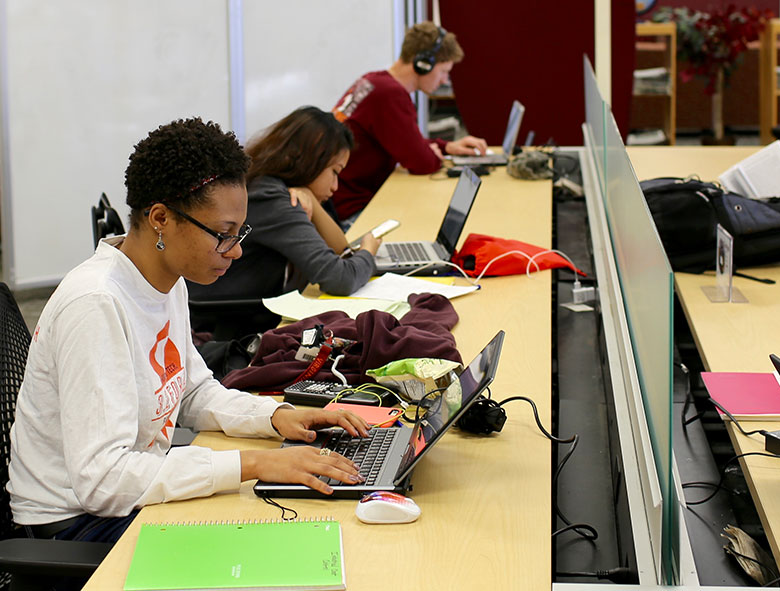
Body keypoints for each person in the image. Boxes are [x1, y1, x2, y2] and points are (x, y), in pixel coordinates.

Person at [6, 117, 370, 548]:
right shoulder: (96, 304)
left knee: (301, 518)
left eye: (239, 233)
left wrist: (276, 419)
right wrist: (253, 464)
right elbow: (102, 480)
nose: (235, 251)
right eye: (223, 234)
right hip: (75, 529)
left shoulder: (166, 280)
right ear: (161, 218)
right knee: (277, 539)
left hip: (125, 499)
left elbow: (192, 391)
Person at [188, 107, 380, 328]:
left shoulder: (265, 183)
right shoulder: (274, 200)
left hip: (231, 308)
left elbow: (340, 249)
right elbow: (340, 278)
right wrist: (369, 251)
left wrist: (313, 203)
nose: (336, 186)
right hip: (231, 320)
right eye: (334, 172)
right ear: (310, 160)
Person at [330, 21, 489, 224]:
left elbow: (409, 142)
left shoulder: (374, 81)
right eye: (443, 71)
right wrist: (432, 155)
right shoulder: (390, 95)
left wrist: (446, 146)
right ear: (423, 64)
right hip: (353, 212)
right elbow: (423, 163)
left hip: (343, 202)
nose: (445, 80)